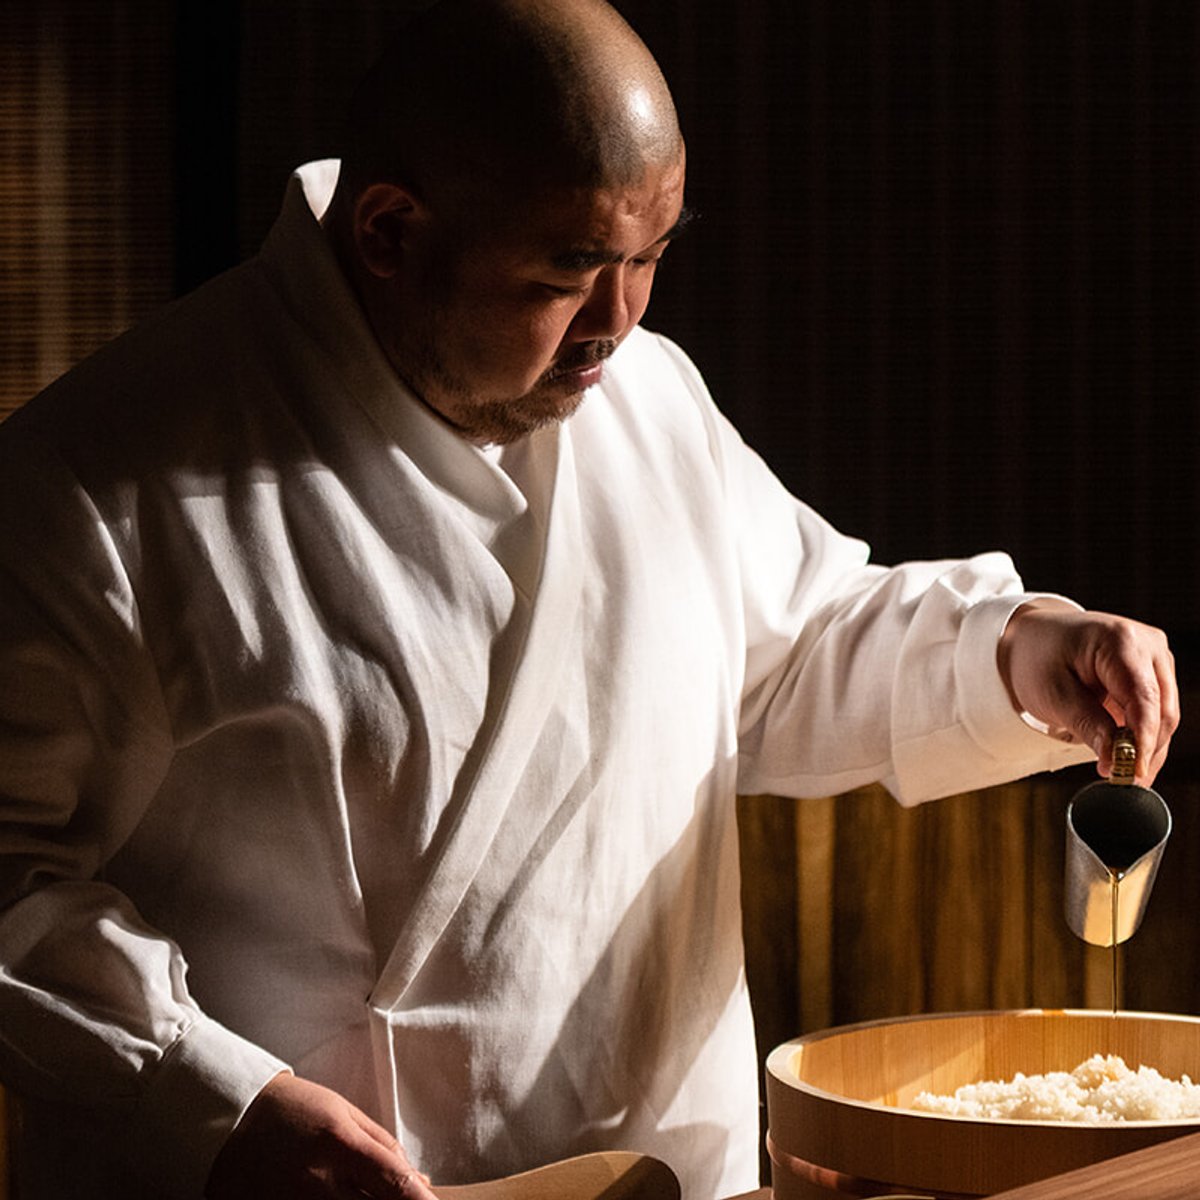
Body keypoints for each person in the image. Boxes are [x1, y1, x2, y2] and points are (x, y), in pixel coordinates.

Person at [0, 1, 1177, 1197]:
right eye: (571, 268)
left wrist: (1020, 650)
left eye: (651, 257)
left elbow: (791, 645)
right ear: (392, 233)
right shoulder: (96, 479)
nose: (620, 323)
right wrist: (211, 1095)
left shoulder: (648, 399)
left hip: (672, 1168)